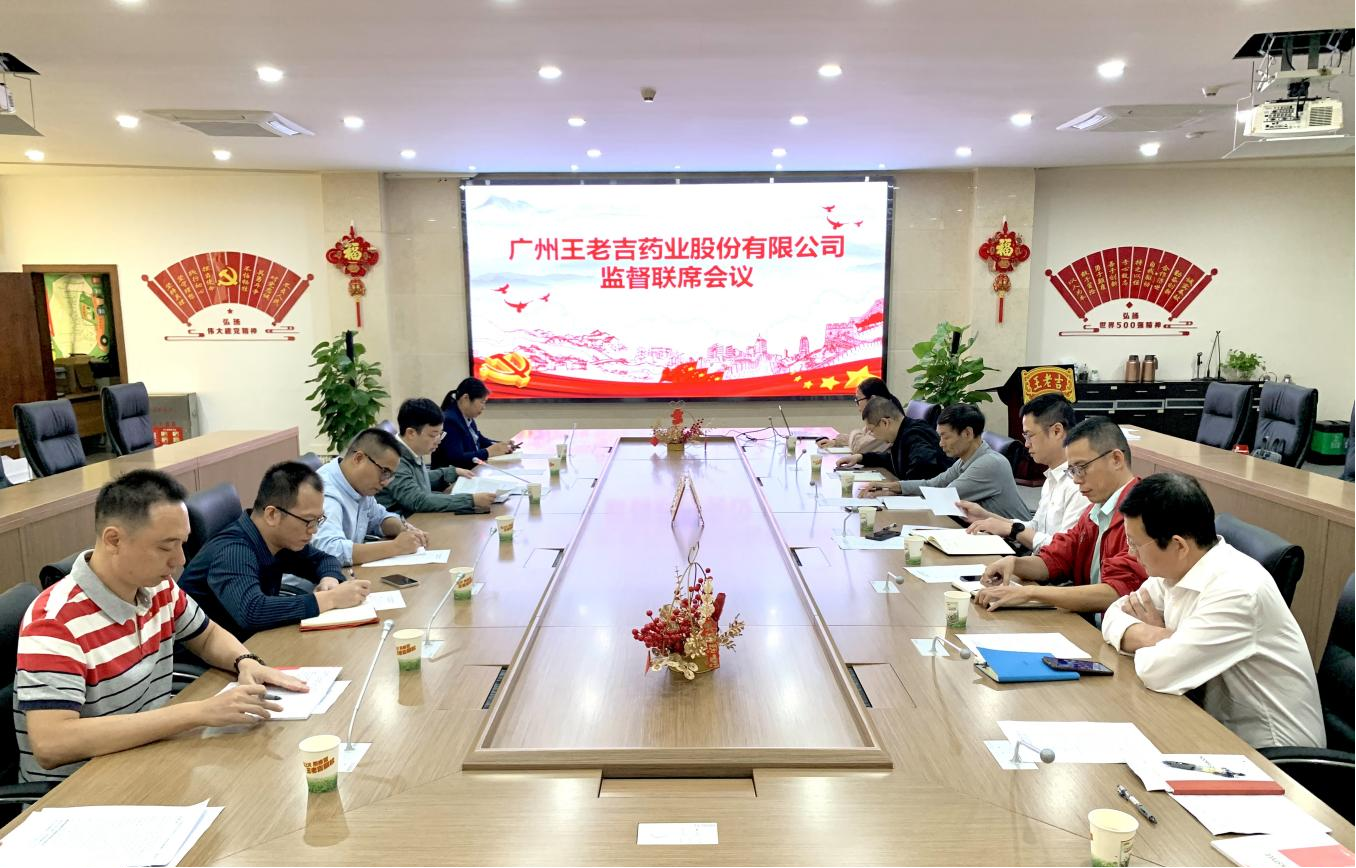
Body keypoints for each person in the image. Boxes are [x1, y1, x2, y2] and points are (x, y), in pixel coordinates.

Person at [13, 470, 306, 783]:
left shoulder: (156, 588)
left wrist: (245, 661)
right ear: (114, 540)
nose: (179, 560)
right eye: (166, 547)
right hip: (81, 791)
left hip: (145, 759)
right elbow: (52, 743)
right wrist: (196, 712)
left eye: (182, 544)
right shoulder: (55, 622)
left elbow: (207, 636)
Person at [1102, 472, 1325, 749]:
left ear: (1178, 545)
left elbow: (1157, 671)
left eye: (1135, 544)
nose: (1131, 553)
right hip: (1210, 728)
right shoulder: (1176, 568)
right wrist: (1160, 635)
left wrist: (1154, 642)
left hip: (1272, 753)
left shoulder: (1238, 591)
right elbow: (1113, 615)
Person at [179, 461, 371, 639]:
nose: (313, 530)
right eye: (308, 521)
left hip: (251, 642)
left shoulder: (278, 539)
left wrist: (329, 579)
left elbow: (324, 559)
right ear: (272, 515)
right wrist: (330, 599)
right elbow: (252, 611)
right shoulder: (232, 550)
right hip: (204, 660)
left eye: (318, 520)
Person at [975, 416, 1147, 613]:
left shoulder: (1145, 512)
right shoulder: (1096, 510)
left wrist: (1030, 593)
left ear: (1116, 459)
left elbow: (1118, 592)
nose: (1076, 480)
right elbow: (1057, 558)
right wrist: (1015, 563)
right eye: (1072, 470)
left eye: (1081, 468)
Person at [957, 393, 1088, 551]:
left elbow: (1065, 550)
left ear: (1057, 431)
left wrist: (1011, 530)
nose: (1026, 444)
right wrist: (986, 516)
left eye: (1029, 435)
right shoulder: (1052, 477)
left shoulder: (1079, 485)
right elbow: (1035, 527)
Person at [862, 403, 1031, 521]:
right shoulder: (966, 460)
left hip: (1015, 544)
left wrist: (893, 495)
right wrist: (891, 486)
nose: (940, 443)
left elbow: (944, 498)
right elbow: (933, 484)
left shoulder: (989, 463)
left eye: (945, 436)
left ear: (967, 433)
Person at [313, 428, 429, 566]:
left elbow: (379, 517)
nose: (385, 482)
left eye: (390, 475)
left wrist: (404, 529)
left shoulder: (359, 485)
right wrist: (396, 547)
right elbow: (330, 551)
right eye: (384, 472)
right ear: (359, 458)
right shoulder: (325, 494)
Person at [378, 397, 495, 517]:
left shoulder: (411, 449)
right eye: (433, 435)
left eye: (440, 434)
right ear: (411, 433)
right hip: (405, 522)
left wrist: (451, 472)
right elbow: (418, 501)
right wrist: (471, 500)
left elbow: (417, 479)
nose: (438, 441)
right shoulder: (395, 460)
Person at [835, 397, 949, 482]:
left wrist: (895, 489)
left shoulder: (915, 435)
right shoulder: (903, 432)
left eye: (872, 430)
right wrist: (860, 457)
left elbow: (921, 473)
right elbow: (892, 460)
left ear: (885, 423)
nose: (872, 435)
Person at [431, 377, 518, 470]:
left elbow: (478, 439)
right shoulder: (450, 421)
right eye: (482, 402)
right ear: (466, 398)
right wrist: (488, 452)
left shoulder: (466, 416)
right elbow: (457, 459)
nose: (484, 407)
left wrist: (501, 445)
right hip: (453, 477)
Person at [816, 376, 902, 455]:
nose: (858, 406)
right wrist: (836, 442)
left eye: (858, 400)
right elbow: (862, 439)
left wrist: (854, 433)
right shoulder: (879, 414)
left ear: (872, 399)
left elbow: (860, 448)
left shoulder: (886, 419)